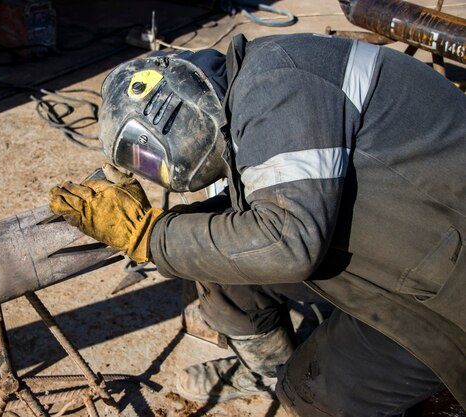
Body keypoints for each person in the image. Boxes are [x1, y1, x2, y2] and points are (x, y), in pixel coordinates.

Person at [49, 33, 466, 416]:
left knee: (313, 396)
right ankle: (272, 374)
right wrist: (173, 232)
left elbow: (287, 243)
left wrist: (149, 236)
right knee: (213, 261)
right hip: (400, 236)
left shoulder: (276, 86)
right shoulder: (246, 91)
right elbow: (265, 216)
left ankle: (303, 387)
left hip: (444, 292)